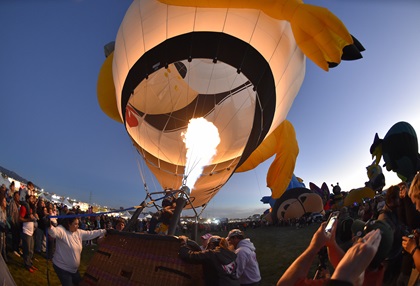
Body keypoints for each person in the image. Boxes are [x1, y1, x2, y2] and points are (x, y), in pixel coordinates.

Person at [277, 220, 383, 286]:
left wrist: (313, 247)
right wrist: (331, 244)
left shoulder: (347, 279)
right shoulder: (377, 275)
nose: (354, 238)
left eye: (361, 240)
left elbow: (285, 284)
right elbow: (345, 264)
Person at [48, 211, 106, 286]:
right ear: (69, 223)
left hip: (73, 270)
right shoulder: (62, 230)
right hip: (62, 268)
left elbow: (91, 233)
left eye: (78, 224)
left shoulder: (78, 232)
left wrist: (104, 231)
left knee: (80, 283)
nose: (77, 226)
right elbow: (54, 232)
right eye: (75, 224)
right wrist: (49, 225)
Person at [19, 194, 38, 272]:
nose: (33, 200)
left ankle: (30, 263)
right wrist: (28, 220)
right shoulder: (24, 208)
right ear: (28, 199)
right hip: (26, 231)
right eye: (32, 199)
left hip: (31, 232)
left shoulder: (31, 208)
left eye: (34, 199)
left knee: (31, 250)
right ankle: (27, 265)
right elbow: (20, 219)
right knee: (27, 250)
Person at [7, 191, 21, 257]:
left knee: (18, 237)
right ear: (14, 196)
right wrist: (13, 223)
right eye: (17, 196)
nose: (18, 197)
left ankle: (17, 249)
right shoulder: (12, 203)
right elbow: (11, 214)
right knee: (15, 237)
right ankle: (14, 249)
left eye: (19, 196)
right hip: (14, 223)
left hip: (17, 223)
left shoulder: (18, 204)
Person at [0, 194, 9, 263]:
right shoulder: (0, 210)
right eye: (4, 201)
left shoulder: (5, 210)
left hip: (3, 229)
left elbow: (4, 219)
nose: (5, 203)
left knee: (4, 244)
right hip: (1, 229)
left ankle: (4, 258)